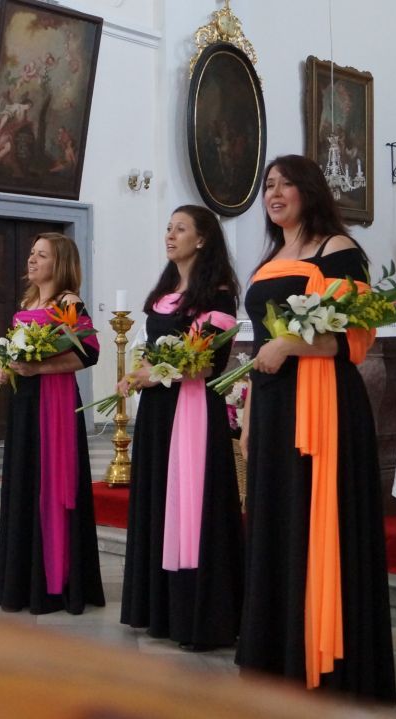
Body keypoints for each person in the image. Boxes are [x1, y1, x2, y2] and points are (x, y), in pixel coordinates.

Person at [236, 155, 396, 703]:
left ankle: (326, 658)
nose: (274, 193)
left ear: (310, 190)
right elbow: (260, 348)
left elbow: (353, 338)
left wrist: (289, 346)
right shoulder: (270, 258)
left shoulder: (339, 250)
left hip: (323, 404)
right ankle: (279, 655)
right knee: (277, 523)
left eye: (286, 184)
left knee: (317, 521)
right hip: (273, 408)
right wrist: (249, 419)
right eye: (268, 185)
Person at [118, 205, 243, 648]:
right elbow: (154, 350)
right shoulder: (165, 293)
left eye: (180, 229)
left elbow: (208, 363)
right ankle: (160, 610)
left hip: (192, 411)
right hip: (158, 414)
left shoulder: (218, 296)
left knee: (191, 505)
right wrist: (137, 373)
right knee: (158, 501)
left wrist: (155, 373)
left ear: (202, 239)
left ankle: (196, 614)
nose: (170, 235)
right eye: (168, 228)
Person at [0, 232, 104, 614]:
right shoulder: (27, 303)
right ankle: (23, 578)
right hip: (24, 402)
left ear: (60, 263)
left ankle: (56, 579)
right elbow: (16, 353)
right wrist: (6, 369)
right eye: (32, 253)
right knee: (26, 481)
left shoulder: (69, 303)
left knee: (53, 481)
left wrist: (39, 368)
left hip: (54, 401)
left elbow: (88, 353)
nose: (32, 260)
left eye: (41, 255)